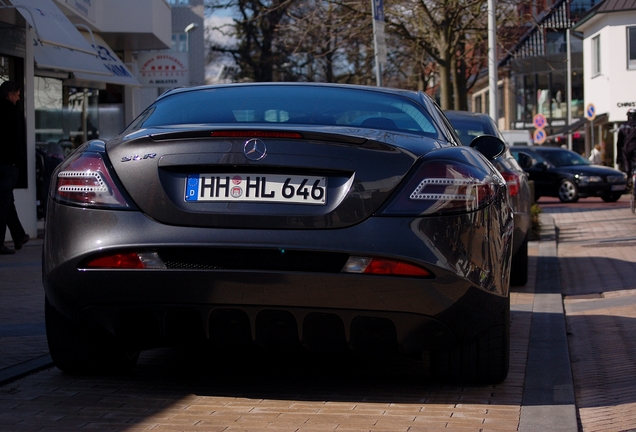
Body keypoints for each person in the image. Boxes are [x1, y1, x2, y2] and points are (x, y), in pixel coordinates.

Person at [0, 81, 29, 255]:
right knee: (3, 204)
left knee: (6, 201)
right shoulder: (12, 113)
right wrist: (20, 163)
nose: (19, 98)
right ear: (10, 95)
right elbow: (17, 140)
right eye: (17, 95)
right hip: (8, 164)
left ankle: (19, 235)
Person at [617, 108, 636, 174]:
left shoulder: (623, 126)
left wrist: (618, 157)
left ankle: (628, 177)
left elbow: (619, 142)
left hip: (627, 148)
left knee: (626, 160)